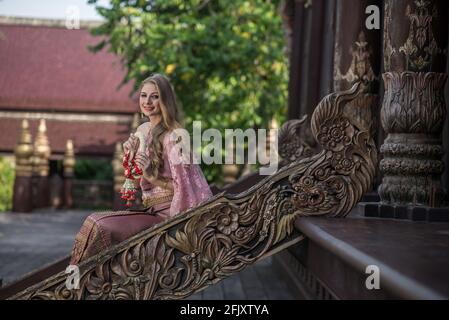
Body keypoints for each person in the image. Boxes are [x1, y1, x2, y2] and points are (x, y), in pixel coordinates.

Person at [70, 74, 213, 265]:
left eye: (154, 96)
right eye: (143, 95)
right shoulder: (144, 130)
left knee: (100, 225)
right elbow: (136, 183)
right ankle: (76, 279)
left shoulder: (176, 136)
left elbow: (184, 188)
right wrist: (130, 155)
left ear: (165, 100)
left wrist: (150, 175)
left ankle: (79, 281)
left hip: (171, 215)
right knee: (93, 221)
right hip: (149, 210)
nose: (147, 101)